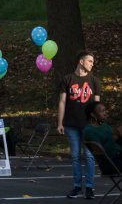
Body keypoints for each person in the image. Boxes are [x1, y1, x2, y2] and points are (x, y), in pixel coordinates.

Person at [58, 50, 100, 199]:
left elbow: (97, 105)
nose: (92, 64)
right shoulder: (67, 79)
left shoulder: (94, 81)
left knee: (89, 157)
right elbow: (62, 102)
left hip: (88, 125)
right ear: (81, 62)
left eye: (93, 62)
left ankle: (89, 188)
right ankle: (77, 188)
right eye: (90, 61)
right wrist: (60, 123)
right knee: (75, 157)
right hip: (71, 124)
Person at [83, 101, 122, 173]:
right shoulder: (89, 131)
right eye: (102, 111)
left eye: (105, 110)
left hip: (118, 156)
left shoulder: (105, 126)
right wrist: (115, 136)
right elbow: (102, 154)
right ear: (93, 114)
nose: (105, 113)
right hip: (108, 163)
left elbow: (116, 143)